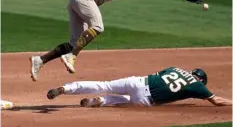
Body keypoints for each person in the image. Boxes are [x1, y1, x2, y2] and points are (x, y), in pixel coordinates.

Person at [30, 0, 207, 81]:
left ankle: (40, 60)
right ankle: (72, 56)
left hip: (83, 1)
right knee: (98, 26)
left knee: (74, 41)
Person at [47, 67, 232, 107]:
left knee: (103, 84)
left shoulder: (176, 69)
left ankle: (66, 88)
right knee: (128, 102)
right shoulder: (198, 87)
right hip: (144, 98)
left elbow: (159, 76)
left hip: (137, 80)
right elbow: (216, 100)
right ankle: (101, 101)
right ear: (200, 80)